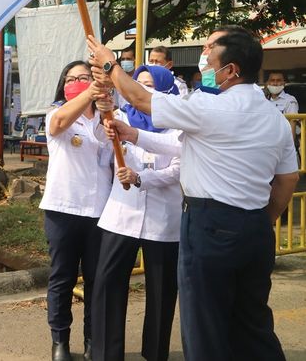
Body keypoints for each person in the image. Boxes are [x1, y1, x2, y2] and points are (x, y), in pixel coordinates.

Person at [87, 30, 299, 361]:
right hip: (256, 228)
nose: (204, 60)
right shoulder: (274, 118)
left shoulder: (209, 105)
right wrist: (261, 219)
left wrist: (110, 63)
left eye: (210, 54)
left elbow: (142, 100)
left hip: (210, 226)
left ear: (230, 70)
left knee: (205, 325)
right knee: (252, 323)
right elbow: (287, 178)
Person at [91, 65, 182, 361]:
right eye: (139, 83)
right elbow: (98, 136)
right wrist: (103, 111)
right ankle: (107, 353)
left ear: (166, 90)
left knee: (162, 291)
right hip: (121, 216)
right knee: (108, 284)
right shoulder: (119, 116)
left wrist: (142, 178)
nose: (144, 90)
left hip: (163, 220)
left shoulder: (180, 125)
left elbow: (180, 169)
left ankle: (155, 353)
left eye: (151, 85)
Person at [40, 60, 113, 361]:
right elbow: (58, 125)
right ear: (63, 84)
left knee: (97, 281)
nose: (79, 82)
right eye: (72, 78)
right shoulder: (57, 114)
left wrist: (106, 108)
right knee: (63, 278)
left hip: (100, 211)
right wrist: (89, 92)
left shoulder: (108, 118)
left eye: (85, 77)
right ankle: (60, 342)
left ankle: (93, 341)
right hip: (64, 208)